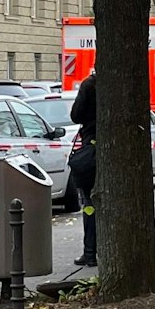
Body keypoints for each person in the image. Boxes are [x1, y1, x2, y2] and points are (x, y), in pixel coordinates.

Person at [70, 68, 98, 268]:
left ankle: (90, 253)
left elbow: (76, 115)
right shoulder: (120, 82)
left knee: (89, 204)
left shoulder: (89, 85)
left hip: (91, 152)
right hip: (113, 152)